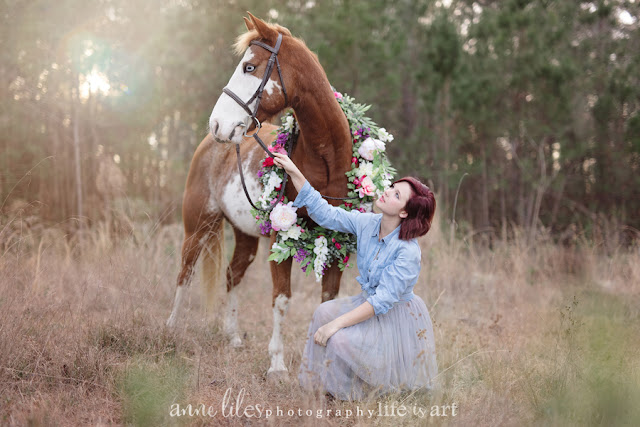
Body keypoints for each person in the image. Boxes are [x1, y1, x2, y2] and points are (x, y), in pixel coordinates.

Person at [272, 152, 438, 401]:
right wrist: (294, 171)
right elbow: (327, 214)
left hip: (392, 318)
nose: (387, 191)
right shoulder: (368, 223)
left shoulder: (407, 252)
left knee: (338, 338)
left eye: (396, 195)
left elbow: (380, 302)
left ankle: (351, 396)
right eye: (392, 186)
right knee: (323, 312)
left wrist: (336, 325)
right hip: (366, 304)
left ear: (404, 213)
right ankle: (318, 387)